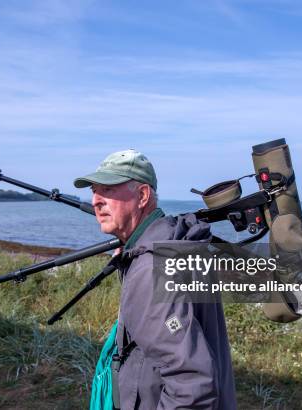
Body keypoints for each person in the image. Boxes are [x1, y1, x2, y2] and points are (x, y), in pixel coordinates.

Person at [74, 149, 237, 409]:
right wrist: (129, 256)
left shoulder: (150, 266)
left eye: (108, 189)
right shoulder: (175, 241)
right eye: (94, 190)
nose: (96, 200)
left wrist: (136, 262)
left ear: (142, 196)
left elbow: (191, 384)